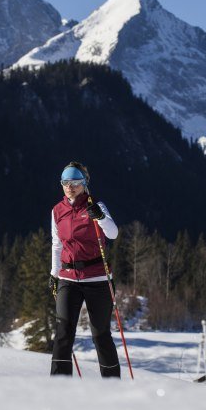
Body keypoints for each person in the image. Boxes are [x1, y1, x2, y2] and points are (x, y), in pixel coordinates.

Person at [48, 161, 120, 378]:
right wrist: (54, 274)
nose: (70, 187)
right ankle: (59, 384)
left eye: (76, 182)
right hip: (67, 278)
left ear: (84, 183)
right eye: (66, 182)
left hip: (97, 278)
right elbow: (56, 244)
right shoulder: (57, 211)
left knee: (100, 335)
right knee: (63, 333)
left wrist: (100, 217)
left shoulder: (96, 205)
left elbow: (113, 234)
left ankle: (112, 384)